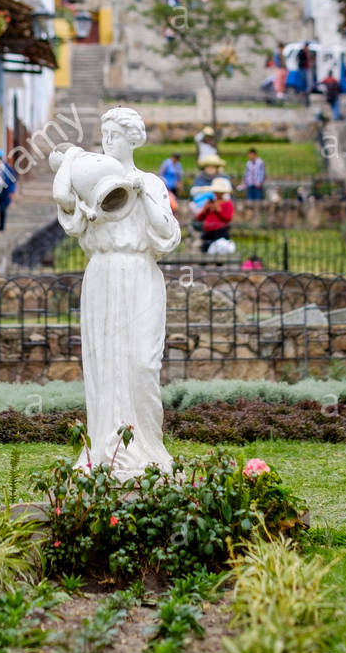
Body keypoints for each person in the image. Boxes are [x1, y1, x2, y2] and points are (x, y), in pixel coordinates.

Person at [50, 107, 180, 474]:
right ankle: (106, 450)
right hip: (103, 275)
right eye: (104, 133)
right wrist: (69, 163)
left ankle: (148, 448)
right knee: (104, 367)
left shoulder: (151, 182)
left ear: (133, 139)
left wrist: (142, 195)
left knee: (142, 363)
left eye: (116, 134)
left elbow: (167, 235)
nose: (108, 141)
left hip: (140, 275)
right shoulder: (91, 181)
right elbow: (65, 206)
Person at [195, 176, 234, 253]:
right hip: (208, 233)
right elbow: (199, 218)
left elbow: (228, 218)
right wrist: (205, 210)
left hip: (220, 232)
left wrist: (218, 210)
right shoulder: (210, 202)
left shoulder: (228, 204)